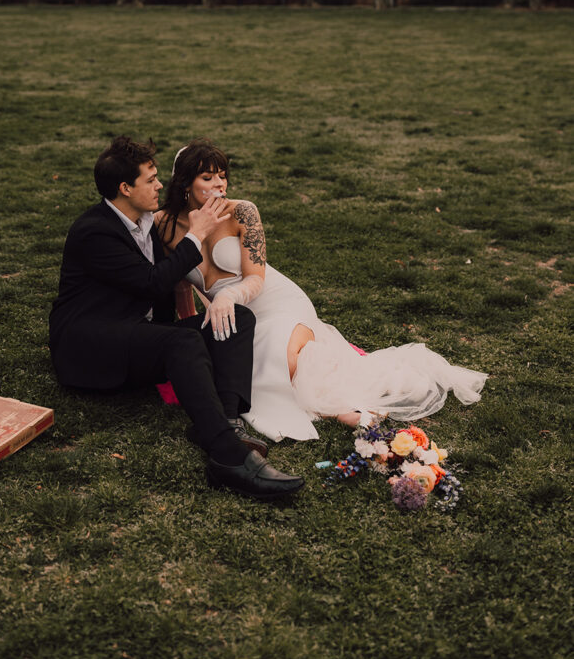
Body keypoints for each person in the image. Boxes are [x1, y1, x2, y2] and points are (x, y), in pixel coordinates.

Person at [156, 139, 488, 442]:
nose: (219, 185)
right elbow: (181, 288)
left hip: (274, 302)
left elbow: (256, 279)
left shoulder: (243, 211)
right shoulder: (165, 224)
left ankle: (340, 411)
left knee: (278, 359)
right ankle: (340, 411)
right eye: (208, 178)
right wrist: (196, 338)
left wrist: (227, 295)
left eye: (223, 176)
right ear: (185, 183)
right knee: (243, 365)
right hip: (233, 317)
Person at [49, 135, 304, 500]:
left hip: (136, 337)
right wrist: (196, 234)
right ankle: (229, 458)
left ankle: (227, 422)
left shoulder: (150, 222)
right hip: (91, 348)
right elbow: (152, 282)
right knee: (182, 340)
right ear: (125, 188)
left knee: (237, 319)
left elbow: (177, 285)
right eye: (150, 179)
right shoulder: (94, 231)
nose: (159, 185)